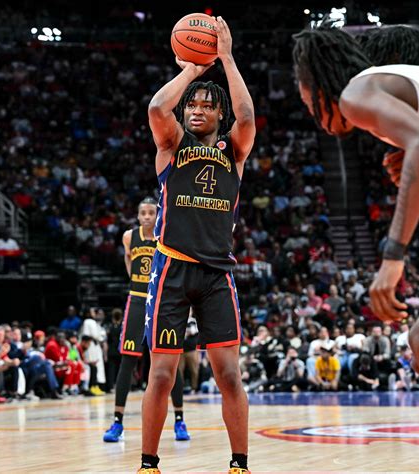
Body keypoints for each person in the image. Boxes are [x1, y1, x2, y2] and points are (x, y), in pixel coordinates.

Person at [139, 16, 255, 474]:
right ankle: (149, 464)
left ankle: (239, 464)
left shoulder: (234, 151)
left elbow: (247, 117)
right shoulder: (172, 144)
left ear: (219, 115)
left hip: (216, 275)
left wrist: (225, 58)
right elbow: (156, 108)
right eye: (192, 105)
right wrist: (191, 69)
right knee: (162, 374)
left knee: (229, 375)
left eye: (208, 105)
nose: (197, 110)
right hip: (171, 269)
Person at [292, 23, 419, 374]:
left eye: (307, 101)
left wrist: (392, 257)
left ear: (318, 83)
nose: (313, 116)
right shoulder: (394, 84)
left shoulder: (355, 93)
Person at [104, 198, 190, 443]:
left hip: (162, 302)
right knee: (127, 360)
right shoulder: (129, 237)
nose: (147, 217)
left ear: (158, 214)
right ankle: (117, 422)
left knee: (170, 361)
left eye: (151, 212)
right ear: (138, 215)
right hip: (137, 300)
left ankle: (179, 420)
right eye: (143, 213)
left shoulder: (166, 235)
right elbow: (128, 262)